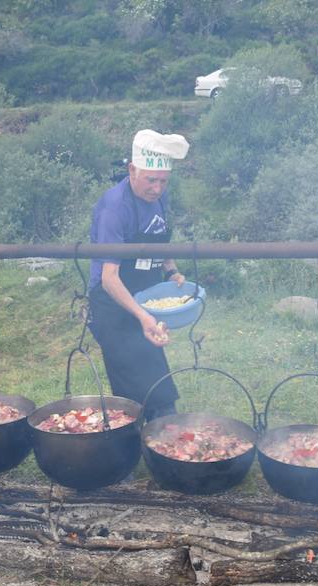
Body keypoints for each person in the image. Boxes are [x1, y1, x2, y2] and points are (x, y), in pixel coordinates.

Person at [88, 129, 189, 421]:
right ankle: (124, 459)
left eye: (163, 181)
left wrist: (170, 270)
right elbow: (109, 278)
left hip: (145, 293)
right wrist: (143, 316)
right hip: (112, 300)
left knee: (155, 368)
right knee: (128, 389)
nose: (157, 188)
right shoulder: (114, 208)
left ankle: (166, 435)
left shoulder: (160, 196)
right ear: (132, 170)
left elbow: (160, 234)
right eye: (151, 180)